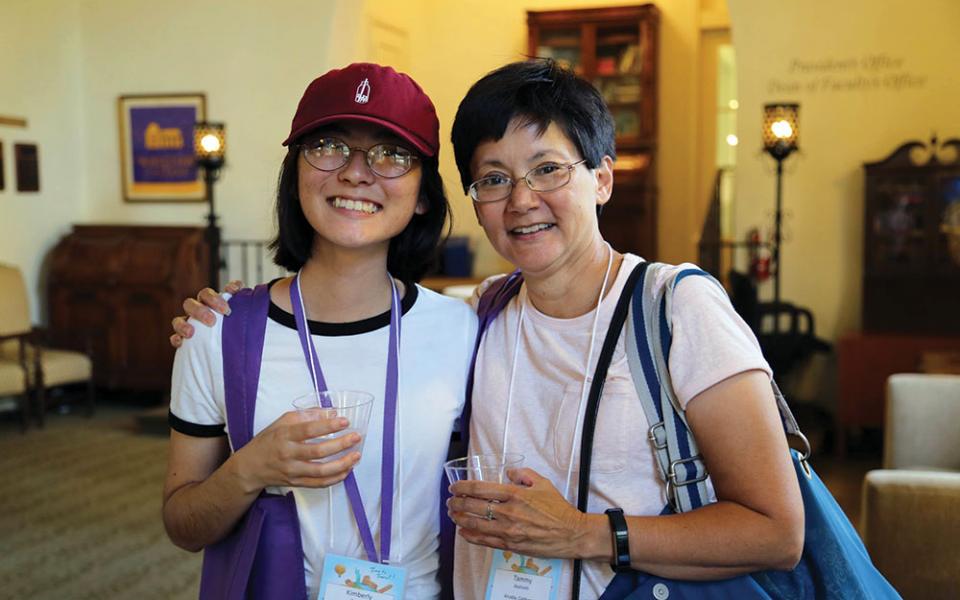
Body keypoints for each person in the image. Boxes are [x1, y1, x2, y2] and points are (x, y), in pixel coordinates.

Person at [173, 59, 804, 599]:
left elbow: (778, 531)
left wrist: (585, 532)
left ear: (602, 179)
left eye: (549, 169)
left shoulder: (676, 307)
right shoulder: (482, 312)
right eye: (496, 178)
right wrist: (234, 321)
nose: (522, 199)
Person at [163, 62, 477, 600]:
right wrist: (251, 467)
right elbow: (184, 526)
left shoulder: (461, 329)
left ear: (423, 194)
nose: (356, 173)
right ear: (297, 175)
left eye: (392, 154)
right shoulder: (217, 333)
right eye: (329, 145)